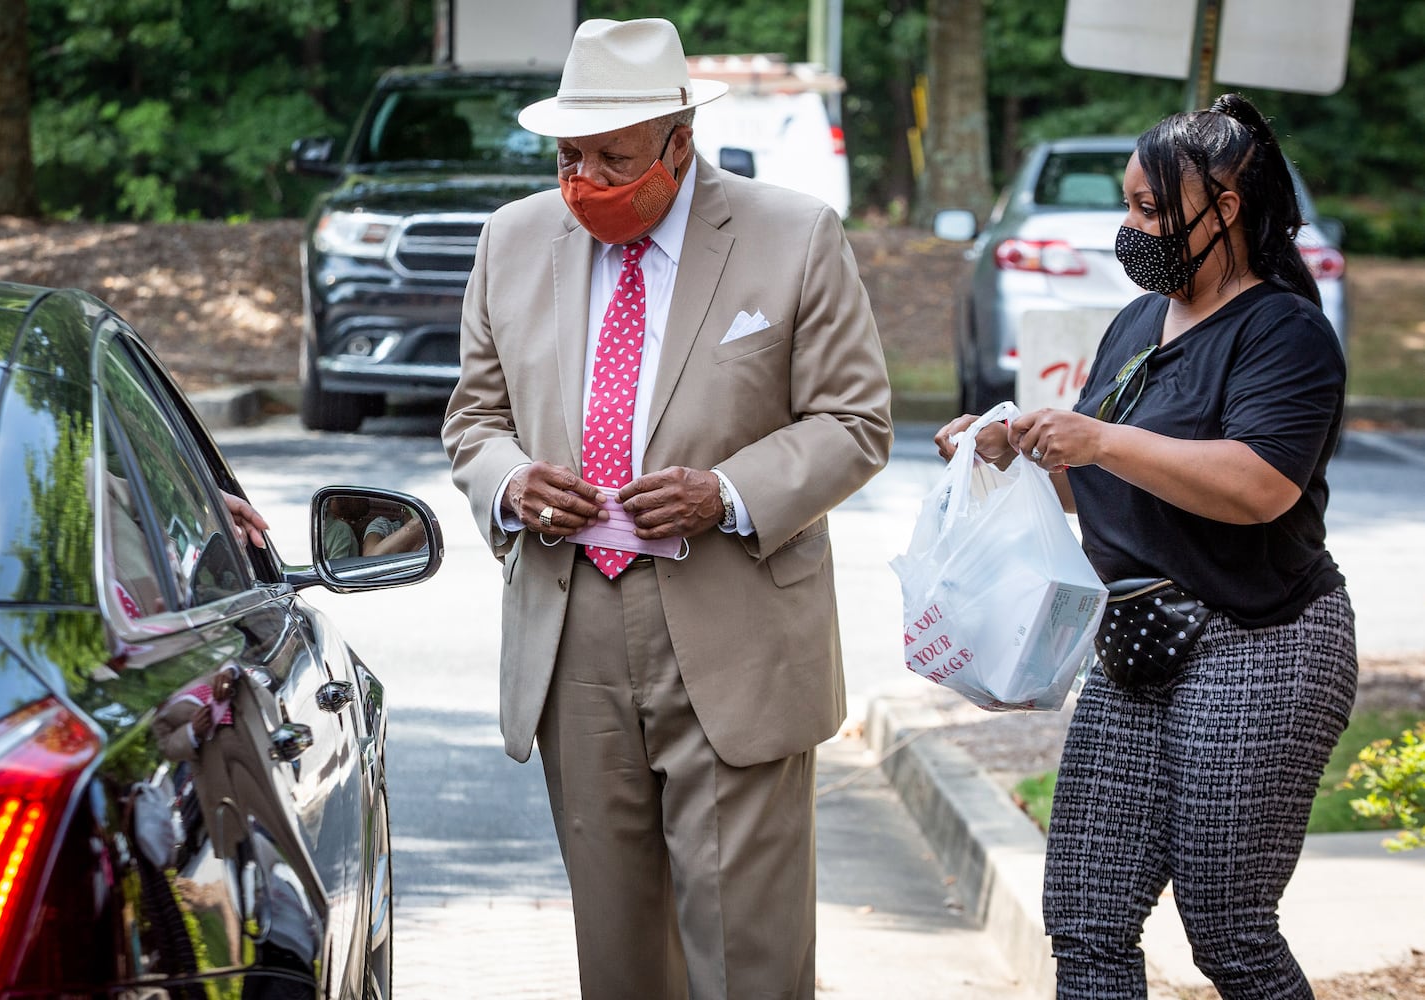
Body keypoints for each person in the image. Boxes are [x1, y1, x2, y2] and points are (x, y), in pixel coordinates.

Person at [441, 17, 893, 999]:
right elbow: (473, 421)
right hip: (573, 631)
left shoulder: (793, 234)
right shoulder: (513, 240)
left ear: (677, 141)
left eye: (614, 156)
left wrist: (723, 493)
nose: (587, 179)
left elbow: (853, 421)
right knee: (617, 951)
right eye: (569, 156)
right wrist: (511, 482)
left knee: (747, 953)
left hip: (733, 626)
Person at [935, 93, 1354, 998]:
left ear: (1225, 210)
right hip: (1137, 643)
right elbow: (1098, 476)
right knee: (1086, 924)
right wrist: (1008, 446)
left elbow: (1259, 486)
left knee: (1230, 932)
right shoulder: (1138, 323)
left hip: (1262, 642)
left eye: (1150, 208)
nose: (1129, 227)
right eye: (1129, 204)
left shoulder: (1283, 330)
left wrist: (1098, 440)